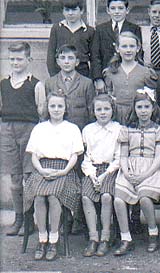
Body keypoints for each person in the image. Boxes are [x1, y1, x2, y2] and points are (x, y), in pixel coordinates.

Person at [23, 91, 83, 261]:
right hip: (42, 168)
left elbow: (74, 156)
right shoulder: (39, 128)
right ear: (47, 108)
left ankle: (54, 240)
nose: (56, 109)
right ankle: (42, 239)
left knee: (54, 196)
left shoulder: (72, 128)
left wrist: (64, 171)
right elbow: (34, 155)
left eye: (60, 106)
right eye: (53, 106)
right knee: (39, 197)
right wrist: (41, 170)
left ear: (65, 108)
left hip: (65, 170)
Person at [112, 89, 160, 256]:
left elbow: (158, 157)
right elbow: (123, 154)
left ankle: (153, 233)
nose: (143, 111)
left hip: (151, 169)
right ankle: (125, 238)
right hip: (130, 167)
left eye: (146, 106)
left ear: (153, 108)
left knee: (144, 198)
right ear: (134, 109)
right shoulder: (127, 130)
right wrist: (127, 172)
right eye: (139, 107)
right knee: (119, 200)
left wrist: (145, 175)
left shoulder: (159, 129)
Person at [0, 42, 46, 236]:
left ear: (29, 60)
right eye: (12, 59)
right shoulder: (3, 83)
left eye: (19, 59)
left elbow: (42, 111)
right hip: (8, 130)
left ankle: (29, 219)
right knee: (15, 178)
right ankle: (18, 218)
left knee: (29, 176)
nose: (15, 63)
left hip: (29, 130)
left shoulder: (36, 84)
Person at [80, 94, 122, 257]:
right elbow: (86, 157)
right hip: (92, 170)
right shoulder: (88, 130)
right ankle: (93, 238)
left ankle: (105, 236)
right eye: (99, 109)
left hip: (110, 170)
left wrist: (104, 175)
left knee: (106, 196)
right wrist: (91, 176)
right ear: (93, 111)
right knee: (86, 197)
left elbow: (119, 157)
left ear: (112, 110)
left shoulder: (118, 129)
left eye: (106, 109)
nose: (103, 113)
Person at [91, 0, 142, 92]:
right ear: (108, 10)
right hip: (106, 75)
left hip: (128, 75)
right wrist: (98, 78)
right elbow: (95, 55)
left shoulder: (134, 28)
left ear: (127, 10)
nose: (117, 12)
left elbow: (138, 53)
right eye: (113, 8)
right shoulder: (100, 29)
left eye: (120, 8)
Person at [104, 31, 158, 124]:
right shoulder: (110, 72)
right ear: (117, 48)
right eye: (124, 46)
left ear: (138, 48)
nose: (128, 50)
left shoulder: (146, 72)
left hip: (138, 116)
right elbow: (108, 96)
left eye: (132, 46)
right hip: (116, 116)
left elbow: (151, 99)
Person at [44, 44, 95, 129]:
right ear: (58, 61)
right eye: (63, 58)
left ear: (77, 62)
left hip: (80, 129)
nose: (66, 62)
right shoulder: (50, 83)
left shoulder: (86, 83)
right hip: (57, 130)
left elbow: (91, 111)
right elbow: (46, 111)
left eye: (70, 58)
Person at [46, 0, 94, 78]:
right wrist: (53, 76)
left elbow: (94, 57)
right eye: (67, 10)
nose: (70, 13)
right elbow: (51, 54)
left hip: (82, 73)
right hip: (60, 73)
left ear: (82, 11)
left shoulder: (89, 31)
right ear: (63, 11)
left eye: (74, 10)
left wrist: (92, 79)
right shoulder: (57, 28)